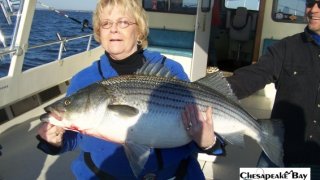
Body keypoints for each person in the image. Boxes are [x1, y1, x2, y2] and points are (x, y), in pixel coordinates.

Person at [36, 0, 221, 179]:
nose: (113, 28)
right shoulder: (82, 80)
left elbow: (197, 130)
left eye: (123, 22)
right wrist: (55, 141)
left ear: (139, 31)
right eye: (106, 23)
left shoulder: (170, 70)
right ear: (99, 32)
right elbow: (73, 138)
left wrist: (208, 143)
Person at [226, 0, 320, 178]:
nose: (312, 10)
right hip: (282, 152)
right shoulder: (286, 47)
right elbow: (254, 75)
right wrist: (207, 91)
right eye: (309, 3)